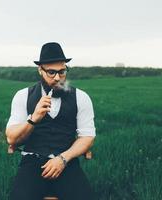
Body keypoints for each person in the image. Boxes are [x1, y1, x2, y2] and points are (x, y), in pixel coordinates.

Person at [5, 42, 96, 200]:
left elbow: (87, 137)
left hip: (67, 161)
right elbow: (11, 138)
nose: (58, 78)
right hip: (33, 161)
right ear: (40, 70)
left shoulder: (81, 97)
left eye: (62, 72)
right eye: (51, 72)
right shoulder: (22, 95)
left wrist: (63, 159)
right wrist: (33, 119)